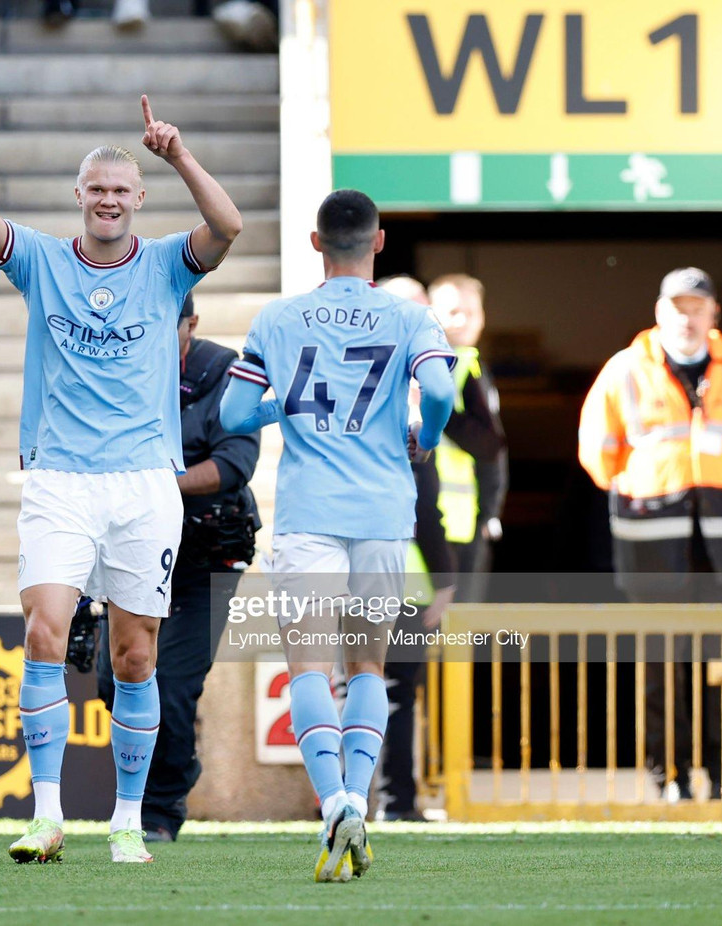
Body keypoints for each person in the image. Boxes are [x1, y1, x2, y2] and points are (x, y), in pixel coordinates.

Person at [0, 53, 242, 863]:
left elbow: (229, 226)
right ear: (79, 197)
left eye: (121, 190)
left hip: (145, 484)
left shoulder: (168, 266)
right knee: (45, 631)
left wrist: (176, 154)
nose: (108, 201)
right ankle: (45, 815)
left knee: (135, 654)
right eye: (96, 190)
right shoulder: (39, 260)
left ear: (137, 200)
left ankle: (127, 819)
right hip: (61, 479)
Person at [219, 189, 455, 881]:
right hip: (382, 516)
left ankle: (333, 805)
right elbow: (438, 392)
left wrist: (285, 406)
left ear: (315, 243)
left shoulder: (279, 318)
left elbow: (234, 411)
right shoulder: (410, 316)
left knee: (310, 668)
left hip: (309, 515)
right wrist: (428, 437)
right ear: (379, 242)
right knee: (369, 670)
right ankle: (359, 798)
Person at [578, 267, 722, 801]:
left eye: (697, 307)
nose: (686, 317)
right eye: (677, 307)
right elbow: (597, 450)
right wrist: (650, 488)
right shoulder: (625, 370)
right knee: (660, 664)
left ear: (714, 315)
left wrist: (719, 486)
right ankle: (671, 776)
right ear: (659, 312)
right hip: (651, 538)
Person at [96, 292, 260, 842]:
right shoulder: (109, 363)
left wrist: (155, 486)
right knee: (111, 678)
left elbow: (234, 464)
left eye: (169, 328)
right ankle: (161, 770)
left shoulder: (225, 372)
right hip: (130, 548)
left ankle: (160, 811)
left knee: (172, 684)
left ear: (193, 324)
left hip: (203, 553)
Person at [427, 274, 507, 601]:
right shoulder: (444, 365)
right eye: (453, 311)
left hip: (463, 518)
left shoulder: (472, 366)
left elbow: (492, 450)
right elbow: (489, 446)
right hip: (434, 521)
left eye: (471, 312)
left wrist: (490, 511)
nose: (463, 321)